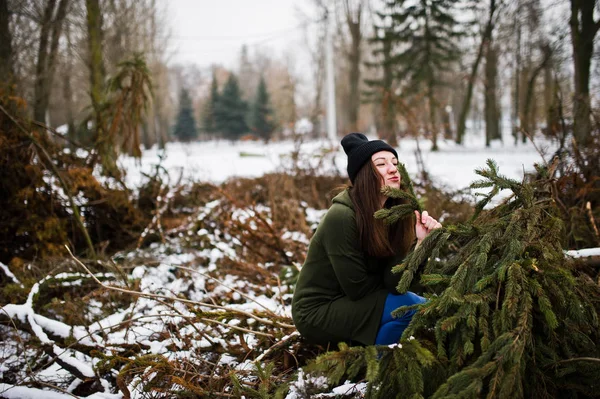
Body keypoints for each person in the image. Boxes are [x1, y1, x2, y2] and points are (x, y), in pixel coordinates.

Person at [291, 133, 442, 346]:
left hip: (355, 304)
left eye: (395, 163)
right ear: (364, 174)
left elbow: (395, 284)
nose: (392, 169)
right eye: (381, 164)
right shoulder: (342, 216)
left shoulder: (395, 214)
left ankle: (375, 364)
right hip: (317, 311)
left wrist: (422, 244)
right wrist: (415, 300)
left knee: (406, 310)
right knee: (411, 305)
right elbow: (358, 289)